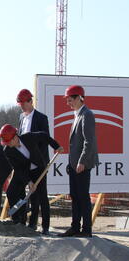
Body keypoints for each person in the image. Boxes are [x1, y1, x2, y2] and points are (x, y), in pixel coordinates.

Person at [0, 124, 63, 234]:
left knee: (42, 196)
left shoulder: (28, 137)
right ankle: (19, 221)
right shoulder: (8, 151)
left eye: (9, 142)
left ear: (15, 137)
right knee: (12, 191)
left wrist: (56, 146)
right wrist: (29, 182)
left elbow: (44, 136)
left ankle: (45, 227)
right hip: (24, 171)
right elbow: (18, 169)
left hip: (39, 169)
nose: (8, 144)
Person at [59, 85, 99, 238]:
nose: (68, 103)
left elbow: (89, 142)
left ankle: (86, 229)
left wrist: (82, 162)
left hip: (82, 165)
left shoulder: (87, 114)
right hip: (74, 165)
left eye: (70, 99)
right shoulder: (77, 114)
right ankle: (75, 227)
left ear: (78, 98)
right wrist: (71, 163)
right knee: (74, 195)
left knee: (82, 195)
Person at [17, 89, 51, 231]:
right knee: (31, 194)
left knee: (42, 195)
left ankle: (45, 227)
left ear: (31, 101)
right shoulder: (21, 118)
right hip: (25, 162)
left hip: (39, 163)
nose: (22, 107)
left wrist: (39, 160)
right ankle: (32, 224)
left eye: (24, 103)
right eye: (20, 104)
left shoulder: (41, 118)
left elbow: (45, 139)